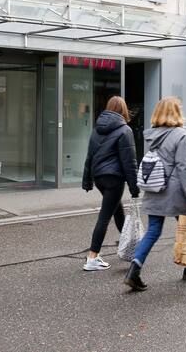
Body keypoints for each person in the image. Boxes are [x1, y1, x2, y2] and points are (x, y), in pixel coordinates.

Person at [125, 97, 186, 291]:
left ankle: (134, 270)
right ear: (176, 113)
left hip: (155, 188)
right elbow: (184, 169)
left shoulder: (152, 135)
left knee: (154, 230)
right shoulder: (180, 136)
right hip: (174, 191)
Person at [81, 96, 140, 271]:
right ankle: (93, 257)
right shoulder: (125, 130)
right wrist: (134, 187)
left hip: (99, 177)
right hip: (114, 178)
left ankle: (129, 249)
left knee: (117, 210)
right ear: (123, 110)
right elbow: (129, 162)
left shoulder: (96, 129)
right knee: (105, 217)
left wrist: (87, 180)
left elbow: (89, 156)